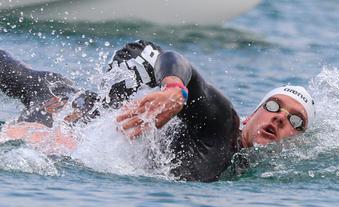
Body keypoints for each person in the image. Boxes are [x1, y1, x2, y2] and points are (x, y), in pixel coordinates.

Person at [0, 40, 315, 182]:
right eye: (274, 107)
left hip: (84, 115)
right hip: (69, 122)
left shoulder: (249, 170)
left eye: (294, 121)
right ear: (253, 114)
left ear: (298, 143)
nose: (279, 118)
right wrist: (174, 90)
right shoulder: (222, 123)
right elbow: (182, 63)